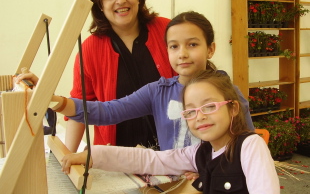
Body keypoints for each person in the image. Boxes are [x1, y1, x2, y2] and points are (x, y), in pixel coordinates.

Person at [18, 11, 254, 153]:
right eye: (174, 46)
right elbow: (107, 111)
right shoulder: (158, 92)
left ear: (210, 49)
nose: (182, 53)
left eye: (192, 44)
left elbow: (248, 144)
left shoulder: (229, 93)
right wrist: (52, 98)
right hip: (172, 183)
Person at [61, 70, 280, 194]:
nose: (200, 116)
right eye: (191, 111)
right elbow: (151, 159)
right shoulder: (199, 153)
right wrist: (92, 156)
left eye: (209, 106)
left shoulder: (250, 146)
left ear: (232, 108)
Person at [64, 0, 176, 151]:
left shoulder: (167, 30)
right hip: (117, 161)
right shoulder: (90, 49)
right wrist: (67, 156)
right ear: (100, 4)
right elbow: (80, 106)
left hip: (172, 154)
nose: (120, 0)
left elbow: (194, 82)